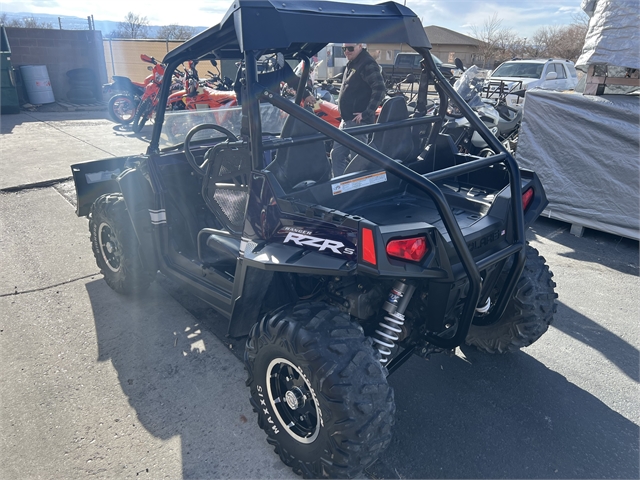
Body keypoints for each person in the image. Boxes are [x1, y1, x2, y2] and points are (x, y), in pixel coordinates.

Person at [330, 43, 385, 177]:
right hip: (346, 120)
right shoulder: (353, 62)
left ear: (360, 46)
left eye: (350, 48)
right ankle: (340, 185)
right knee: (336, 154)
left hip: (358, 121)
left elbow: (380, 89)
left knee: (357, 161)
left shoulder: (367, 64)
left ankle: (357, 191)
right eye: (344, 49)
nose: (346, 52)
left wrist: (367, 113)